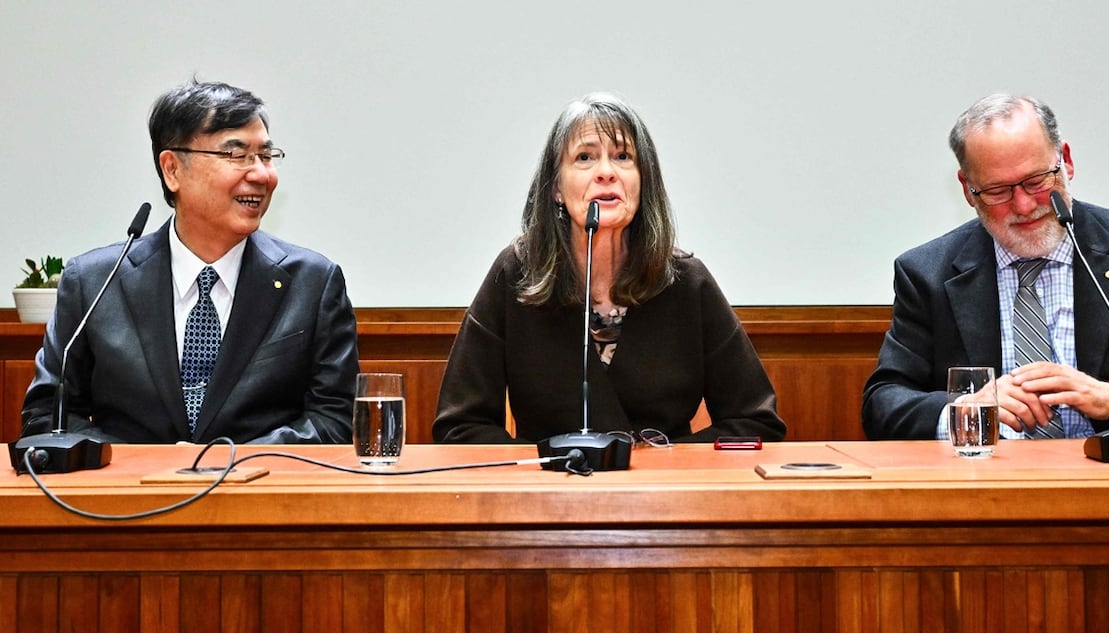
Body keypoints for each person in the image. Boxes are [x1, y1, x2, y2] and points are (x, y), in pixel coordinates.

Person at [433, 92, 785, 444]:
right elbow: (461, 426)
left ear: (642, 181)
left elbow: (754, 421)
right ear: (556, 188)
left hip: (664, 494)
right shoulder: (517, 273)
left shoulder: (686, 281)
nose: (606, 172)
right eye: (584, 157)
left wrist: (662, 465)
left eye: (622, 157)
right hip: (551, 492)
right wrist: (542, 468)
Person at [21, 79, 359, 444]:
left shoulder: (312, 282)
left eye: (265, 155)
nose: (261, 174)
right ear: (172, 170)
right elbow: (49, 418)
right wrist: (150, 466)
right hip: (130, 497)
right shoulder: (95, 281)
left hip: (259, 493)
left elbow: (334, 420)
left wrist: (224, 464)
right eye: (236, 155)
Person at [862, 93, 1109, 441]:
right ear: (968, 189)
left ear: (1065, 161)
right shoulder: (928, 273)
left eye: (1037, 181)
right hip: (983, 481)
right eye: (998, 191)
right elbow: (883, 405)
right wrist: (967, 409)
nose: (1023, 205)